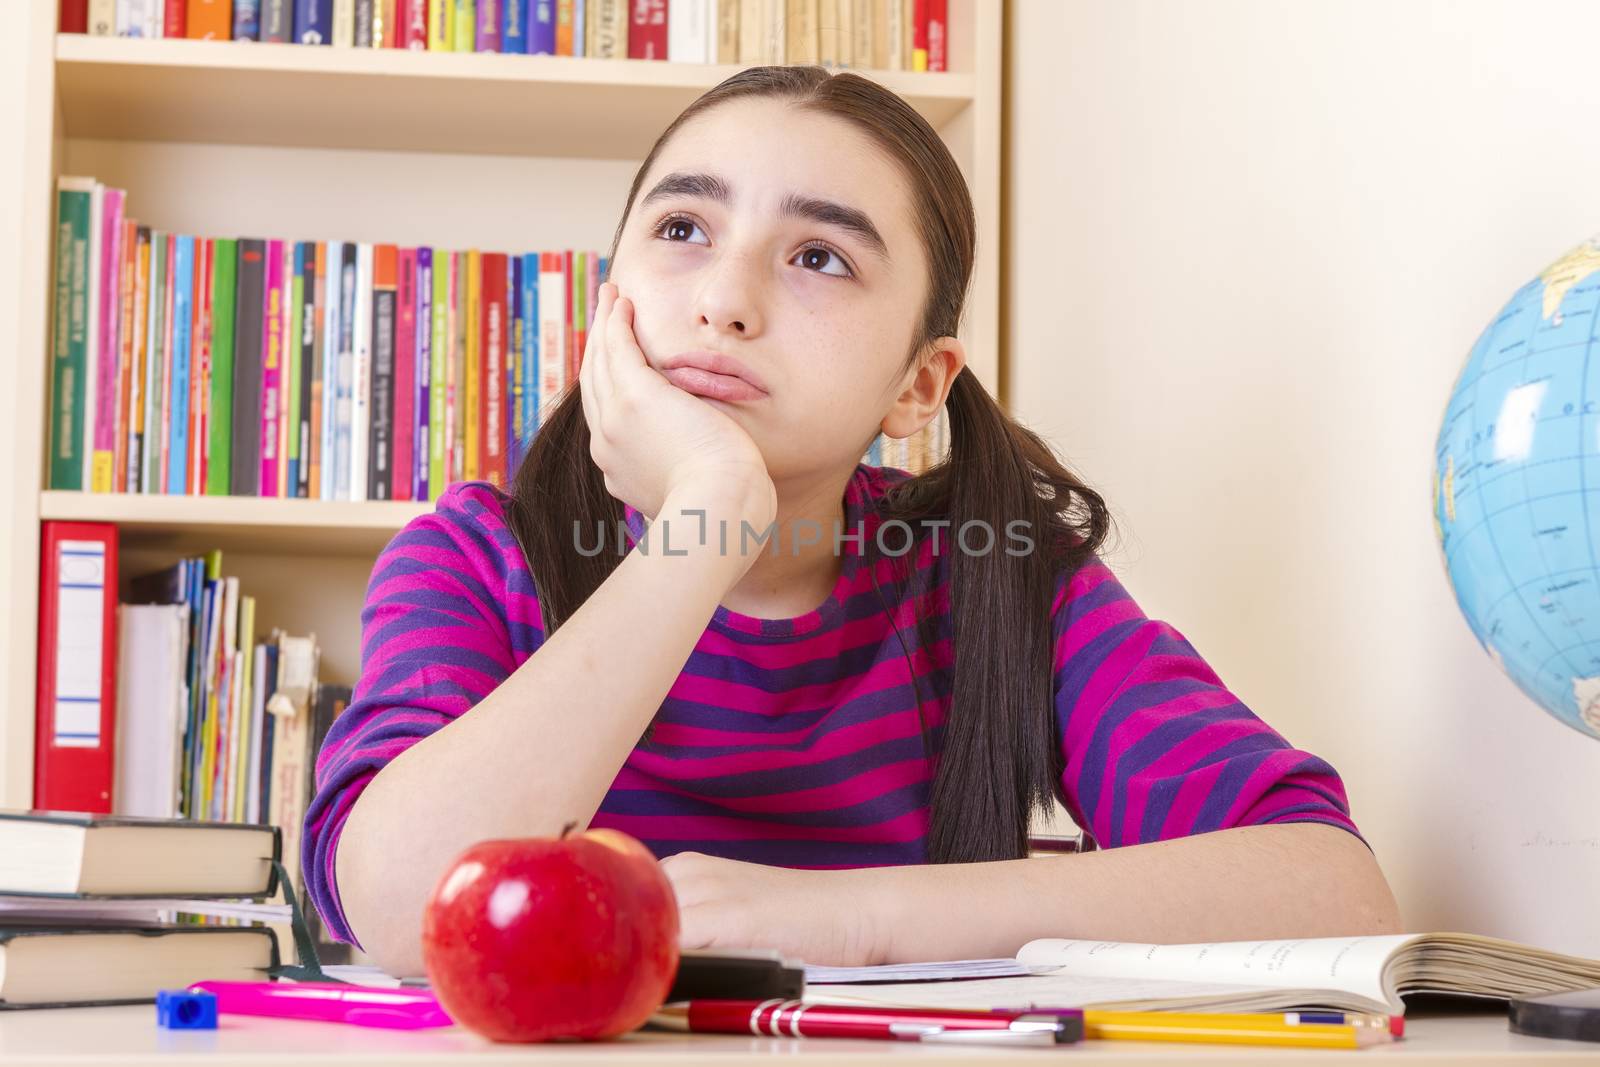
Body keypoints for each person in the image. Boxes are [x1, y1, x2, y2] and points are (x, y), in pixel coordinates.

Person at [302, 65, 1401, 979]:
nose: (725, 298)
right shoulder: (476, 558)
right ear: (607, 302)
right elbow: (405, 908)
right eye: (683, 225)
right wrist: (707, 525)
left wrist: (840, 917)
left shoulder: (1004, 579)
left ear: (917, 386)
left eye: (818, 256)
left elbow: (1329, 892)